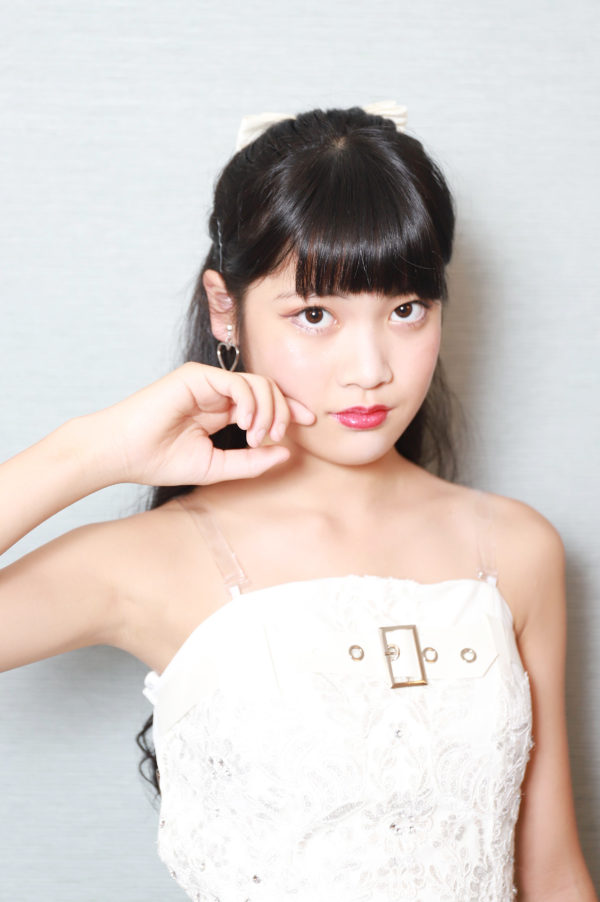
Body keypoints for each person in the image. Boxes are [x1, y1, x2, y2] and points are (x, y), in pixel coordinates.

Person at [0, 101, 596, 902]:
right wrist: (94, 449)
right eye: (315, 315)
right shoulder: (150, 561)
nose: (370, 368)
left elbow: (552, 874)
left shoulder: (515, 549)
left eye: (406, 310)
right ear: (226, 309)